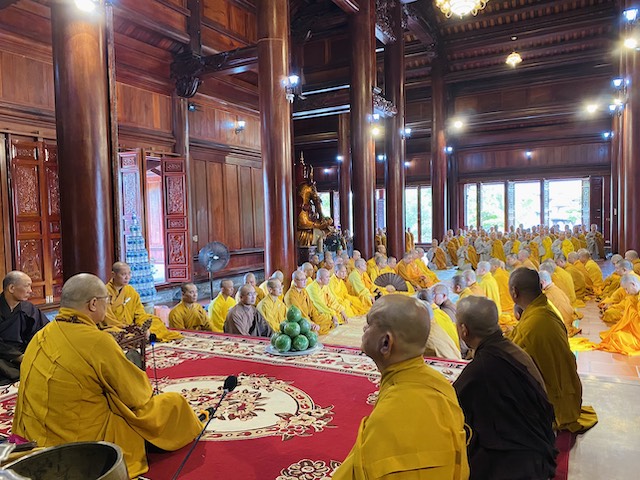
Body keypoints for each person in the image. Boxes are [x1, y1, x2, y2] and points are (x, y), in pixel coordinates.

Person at [12, 273, 202, 478]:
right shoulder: (97, 341)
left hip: (33, 435)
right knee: (172, 404)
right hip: (77, 445)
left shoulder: (41, 335)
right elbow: (136, 395)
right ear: (93, 304)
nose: (108, 306)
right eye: (107, 301)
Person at [332, 295, 469, 479]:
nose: (364, 329)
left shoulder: (389, 414)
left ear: (386, 343)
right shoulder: (441, 385)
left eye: (369, 324)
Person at [454, 296, 557, 480]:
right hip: (541, 444)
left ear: (464, 330)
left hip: (516, 464)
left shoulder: (481, 367)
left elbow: (453, 406)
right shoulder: (512, 350)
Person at [508, 268, 597, 433]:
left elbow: (512, 360)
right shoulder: (544, 308)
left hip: (554, 403)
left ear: (514, 292)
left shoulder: (534, 323)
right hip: (568, 392)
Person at [104, 262, 181, 341]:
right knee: (112, 332)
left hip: (133, 323)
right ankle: (141, 336)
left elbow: (139, 311)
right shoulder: (105, 292)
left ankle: (143, 335)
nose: (127, 277)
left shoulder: (130, 290)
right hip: (116, 326)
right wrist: (125, 327)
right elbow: (107, 317)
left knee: (154, 320)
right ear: (113, 275)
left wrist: (141, 324)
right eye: (123, 274)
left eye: (129, 274)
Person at [0, 271, 49, 385]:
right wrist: (18, 356)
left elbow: (42, 332)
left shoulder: (29, 309)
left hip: (25, 353)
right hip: (4, 354)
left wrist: (32, 353)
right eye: (27, 286)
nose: (30, 291)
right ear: (11, 288)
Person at [598, 273, 640, 355]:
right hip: (633, 328)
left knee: (618, 338)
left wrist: (630, 311)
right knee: (615, 335)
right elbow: (623, 305)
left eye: (626, 289)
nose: (626, 292)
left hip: (638, 332)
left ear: (633, 284)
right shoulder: (633, 296)